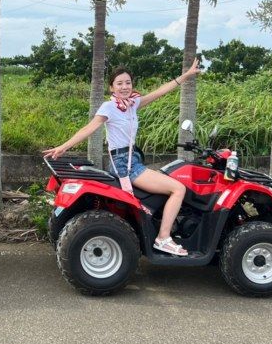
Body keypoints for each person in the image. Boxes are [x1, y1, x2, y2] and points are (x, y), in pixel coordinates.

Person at [43, 58, 201, 256]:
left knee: (171, 182)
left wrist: (186, 75)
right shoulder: (109, 107)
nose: (125, 87)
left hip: (132, 159)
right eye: (119, 83)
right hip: (124, 164)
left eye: (128, 82)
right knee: (178, 189)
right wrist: (63, 147)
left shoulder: (132, 104)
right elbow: (89, 128)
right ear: (112, 88)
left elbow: (160, 92)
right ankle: (163, 238)